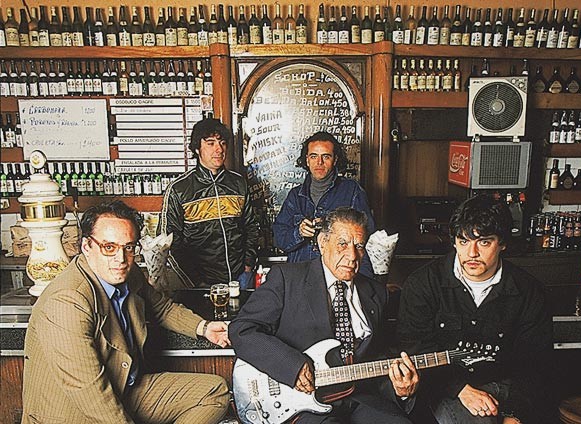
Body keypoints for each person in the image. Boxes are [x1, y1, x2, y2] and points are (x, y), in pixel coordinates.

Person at [22, 200, 231, 424]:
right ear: (86, 246)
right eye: (109, 247)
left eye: (128, 247)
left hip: (124, 389)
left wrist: (204, 328)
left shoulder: (127, 274)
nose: (120, 259)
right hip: (73, 413)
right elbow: (91, 394)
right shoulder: (67, 301)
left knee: (214, 393)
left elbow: (161, 307)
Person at [230, 207, 419, 424]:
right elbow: (241, 330)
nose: (352, 256)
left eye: (359, 246)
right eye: (342, 244)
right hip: (302, 401)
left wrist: (400, 390)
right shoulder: (287, 279)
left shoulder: (376, 293)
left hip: (361, 399)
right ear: (322, 243)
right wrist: (292, 366)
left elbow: (381, 357)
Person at [397, 195, 554, 424]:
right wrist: (460, 389)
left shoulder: (529, 291)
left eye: (484, 242)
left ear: (502, 243)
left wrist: (515, 415)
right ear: (454, 242)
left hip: (508, 388)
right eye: (463, 241)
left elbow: (534, 364)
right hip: (444, 387)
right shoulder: (423, 283)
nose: (472, 253)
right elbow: (415, 349)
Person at [159, 118, 259, 288]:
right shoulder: (179, 189)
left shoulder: (239, 184)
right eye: (211, 143)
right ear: (197, 148)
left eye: (222, 143)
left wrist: (248, 266)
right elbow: (169, 242)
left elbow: (251, 227)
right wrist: (195, 281)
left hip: (240, 278)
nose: (219, 149)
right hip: (200, 284)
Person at [272, 131, 376, 277]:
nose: (319, 162)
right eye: (314, 156)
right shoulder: (295, 196)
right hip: (301, 277)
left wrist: (332, 228)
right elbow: (279, 239)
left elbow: (367, 238)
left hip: (338, 275)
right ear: (307, 160)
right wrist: (299, 233)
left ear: (335, 160)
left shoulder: (352, 191)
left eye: (326, 156)